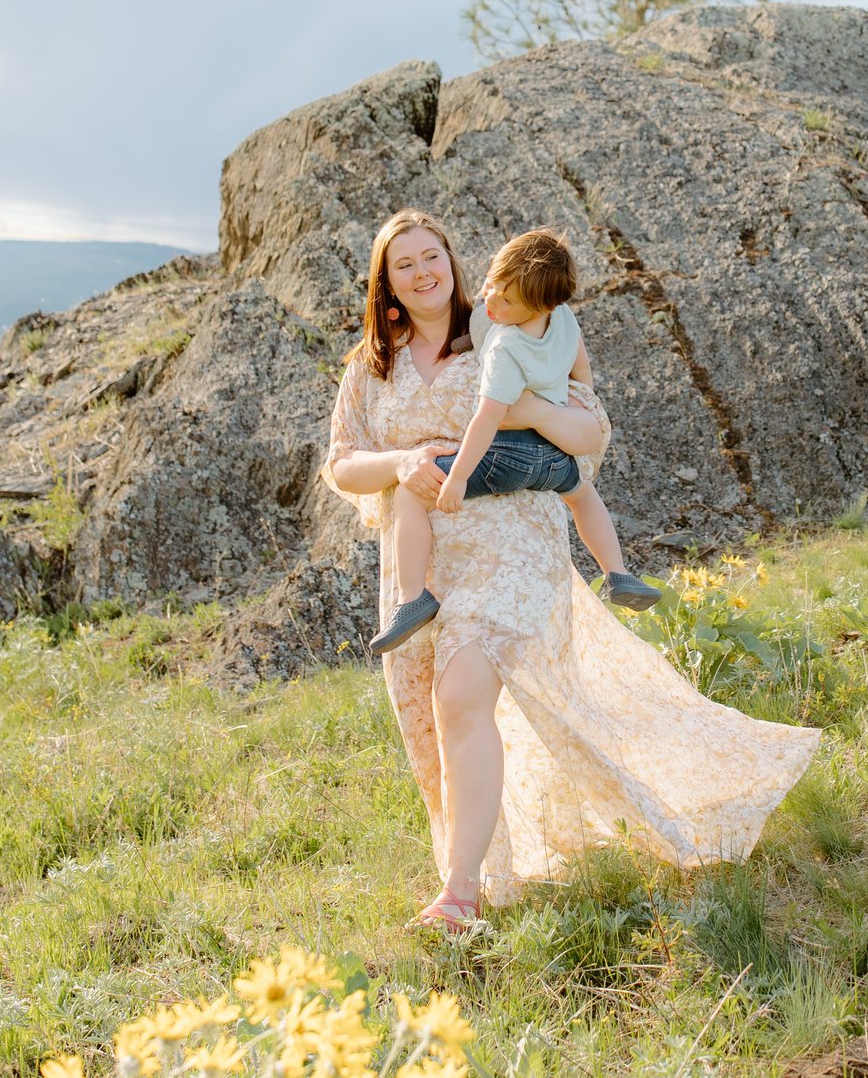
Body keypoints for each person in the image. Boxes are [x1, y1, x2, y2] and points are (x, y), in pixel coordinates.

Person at [322, 209, 821, 933]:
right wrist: (402, 462)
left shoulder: (510, 325)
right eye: (406, 264)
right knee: (437, 718)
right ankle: (480, 871)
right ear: (386, 283)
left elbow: (590, 429)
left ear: (455, 262)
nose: (425, 270)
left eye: (435, 255)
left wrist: (518, 410)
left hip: (511, 541)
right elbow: (340, 463)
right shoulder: (372, 365)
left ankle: (460, 897)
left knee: (461, 693)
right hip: (419, 557)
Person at [368, 226, 660, 658]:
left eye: (505, 300)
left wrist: (457, 479)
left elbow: (488, 420)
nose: (492, 302)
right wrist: (569, 394)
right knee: (581, 494)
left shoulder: (504, 348)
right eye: (493, 288)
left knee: (412, 493)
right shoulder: (561, 318)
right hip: (557, 461)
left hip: (512, 454)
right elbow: (582, 372)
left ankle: (412, 597)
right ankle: (617, 573)